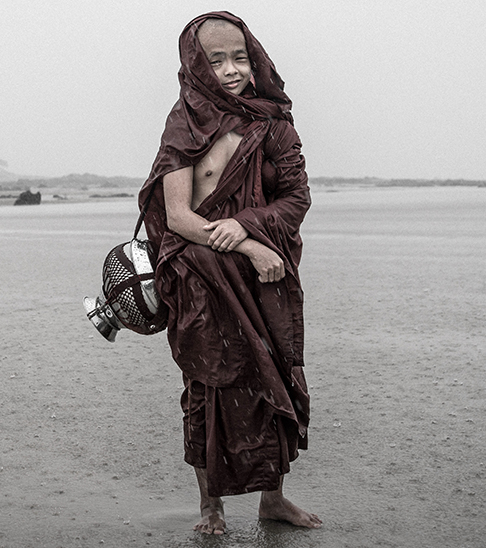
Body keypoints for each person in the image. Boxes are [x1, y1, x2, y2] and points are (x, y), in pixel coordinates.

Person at [138, 12, 320, 534]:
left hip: (263, 277)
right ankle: (210, 507)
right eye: (216, 61)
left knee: (273, 375)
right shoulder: (184, 124)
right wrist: (240, 244)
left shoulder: (274, 124)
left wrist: (244, 229)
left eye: (240, 56)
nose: (232, 70)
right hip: (200, 279)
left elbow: (296, 198)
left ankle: (273, 500)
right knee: (208, 386)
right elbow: (177, 217)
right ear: (196, 65)